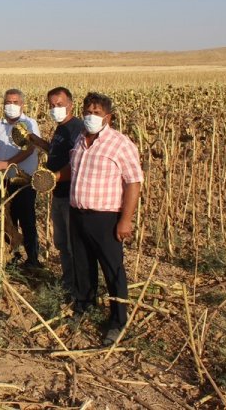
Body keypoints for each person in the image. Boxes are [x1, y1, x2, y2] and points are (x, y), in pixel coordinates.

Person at [69, 92, 143, 346]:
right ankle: (84, 306)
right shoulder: (80, 140)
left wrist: (125, 220)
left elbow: (133, 182)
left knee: (113, 269)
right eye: (87, 112)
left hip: (106, 217)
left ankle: (118, 320)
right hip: (78, 214)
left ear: (108, 117)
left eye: (96, 113)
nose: (91, 116)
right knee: (83, 265)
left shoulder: (121, 144)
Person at [26, 87, 85, 297]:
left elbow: (77, 163)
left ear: (70, 104)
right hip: (58, 194)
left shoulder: (76, 128)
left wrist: (53, 178)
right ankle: (68, 281)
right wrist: (37, 141)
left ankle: (78, 286)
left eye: (59, 105)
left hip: (71, 195)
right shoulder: (61, 128)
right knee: (62, 242)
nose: (55, 109)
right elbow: (56, 152)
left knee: (72, 243)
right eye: (51, 105)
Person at [0, 89, 42, 269]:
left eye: (15, 102)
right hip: (4, 181)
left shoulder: (30, 123)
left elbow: (30, 149)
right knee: (8, 220)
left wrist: (7, 163)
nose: (11, 106)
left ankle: (33, 259)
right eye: (8, 102)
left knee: (27, 220)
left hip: (24, 180)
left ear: (22, 104)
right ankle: (12, 257)